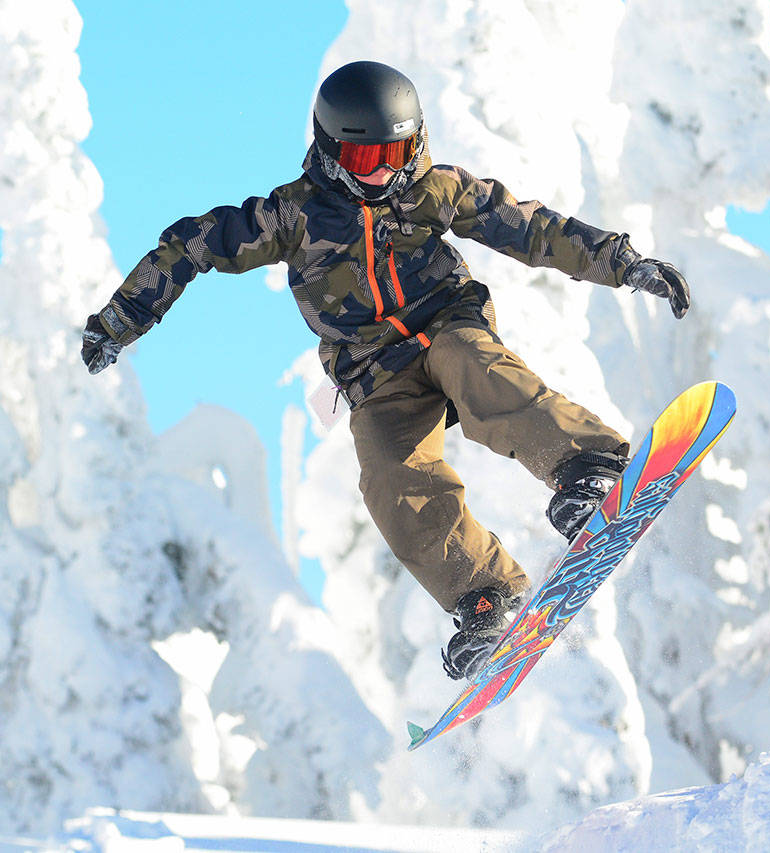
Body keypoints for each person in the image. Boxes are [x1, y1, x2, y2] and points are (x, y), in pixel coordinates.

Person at [81, 60, 690, 681]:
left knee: (481, 372)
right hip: (374, 372)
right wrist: (119, 319)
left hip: (446, 324)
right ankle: (486, 594)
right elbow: (192, 246)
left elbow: (532, 229)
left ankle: (588, 464)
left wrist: (625, 264)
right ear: (330, 152)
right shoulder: (294, 216)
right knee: (390, 479)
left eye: (395, 154)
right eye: (365, 159)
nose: (382, 174)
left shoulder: (435, 190)